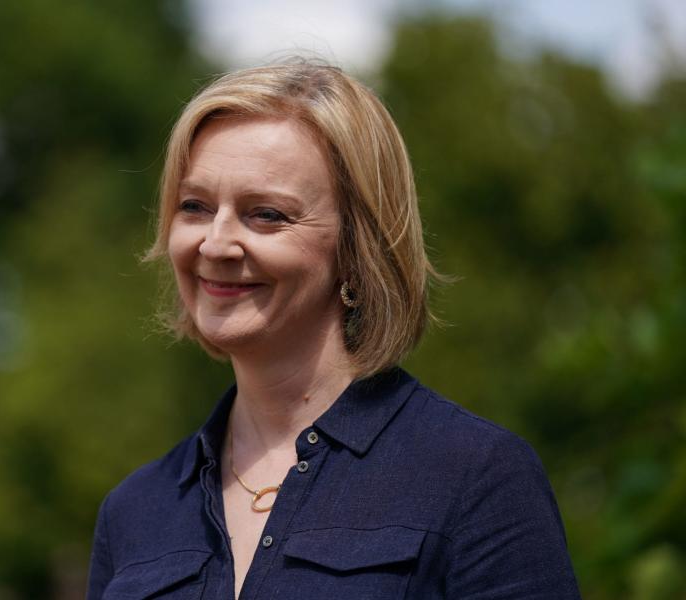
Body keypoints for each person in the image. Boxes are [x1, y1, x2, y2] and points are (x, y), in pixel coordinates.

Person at [87, 62, 580, 599]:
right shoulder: (134, 510)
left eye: (267, 214)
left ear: (356, 247)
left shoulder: (475, 477)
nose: (215, 244)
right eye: (195, 207)